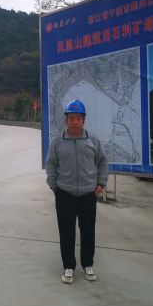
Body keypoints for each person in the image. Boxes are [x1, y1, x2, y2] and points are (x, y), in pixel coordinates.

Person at [45, 99, 108, 284]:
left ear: (83, 120)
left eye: (78, 118)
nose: (75, 122)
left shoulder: (93, 140)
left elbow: (103, 162)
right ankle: (69, 267)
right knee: (66, 233)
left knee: (88, 231)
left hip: (88, 194)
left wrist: (101, 183)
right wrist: (53, 185)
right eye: (71, 118)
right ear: (66, 120)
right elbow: (51, 164)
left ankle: (88, 264)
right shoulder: (57, 141)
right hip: (64, 194)